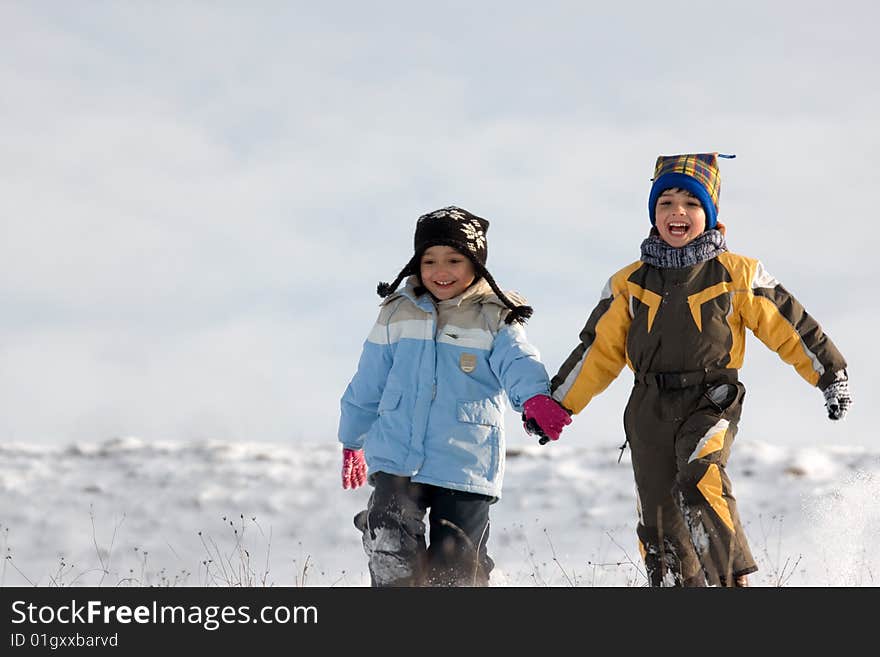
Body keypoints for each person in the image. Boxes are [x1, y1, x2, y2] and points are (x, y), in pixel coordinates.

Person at [547, 153, 852, 587]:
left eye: (691, 203)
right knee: (658, 517)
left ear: (708, 213)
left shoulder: (736, 273)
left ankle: (731, 582)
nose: (677, 212)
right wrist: (558, 404)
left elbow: (790, 325)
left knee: (700, 475)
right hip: (648, 405)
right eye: (665, 202)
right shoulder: (629, 282)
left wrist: (830, 374)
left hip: (711, 398)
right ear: (653, 213)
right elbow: (598, 350)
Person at [338, 206, 571, 587]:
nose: (440, 271)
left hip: (465, 459)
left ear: (476, 265)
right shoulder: (396, 313)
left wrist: (534, 399)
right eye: (429, 260)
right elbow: (367, 382)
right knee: (389, 533)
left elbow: (519, 363)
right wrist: (352, 438)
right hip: (398, 455)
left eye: (454, 260)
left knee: (457, 565)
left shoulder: (495, 316)